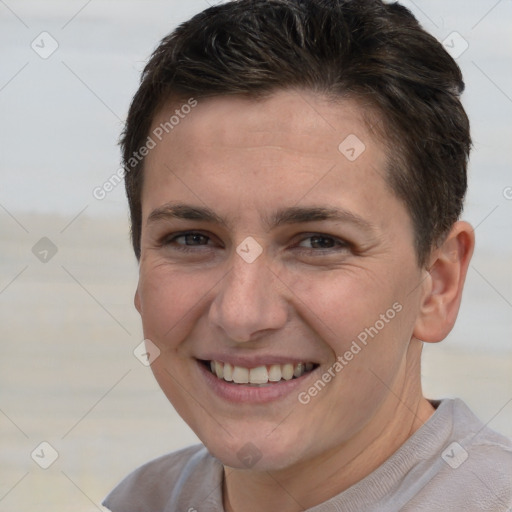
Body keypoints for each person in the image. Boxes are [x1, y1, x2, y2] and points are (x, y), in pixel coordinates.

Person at [102, 0, 512, 510]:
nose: (241, 315)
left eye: (320, 242)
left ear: (439, 284)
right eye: (192, 238)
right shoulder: (140, 500)